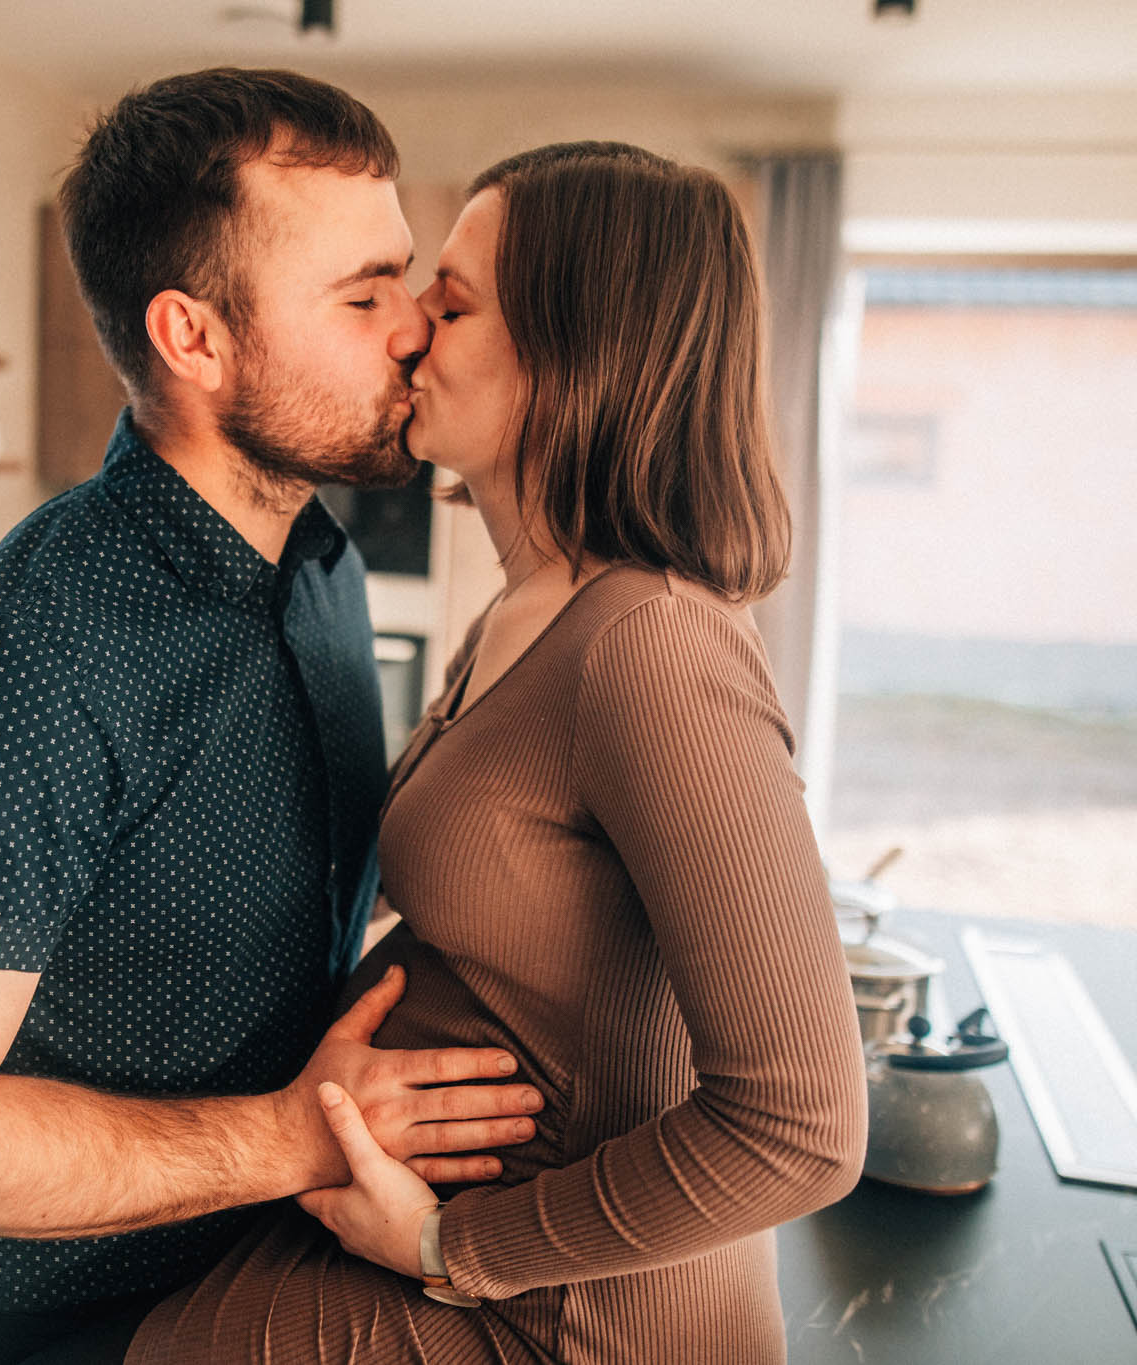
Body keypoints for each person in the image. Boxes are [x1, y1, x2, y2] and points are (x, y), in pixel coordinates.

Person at [0, 69, 547, 1365]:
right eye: (362, 296)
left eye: (407, 282)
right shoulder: (4, 665)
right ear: (193, 339)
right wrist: (295, 1133)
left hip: (273, 1283)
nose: (415, 330)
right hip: (46, 1338)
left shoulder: (324, 571)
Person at [126, 141, 869, 1365]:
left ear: (580, 354)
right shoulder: (528, 610)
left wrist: (444, 1251)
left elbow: (801, 1125)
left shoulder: (650, 648)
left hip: (566, 1314)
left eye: (454, 301)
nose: (408, 327)